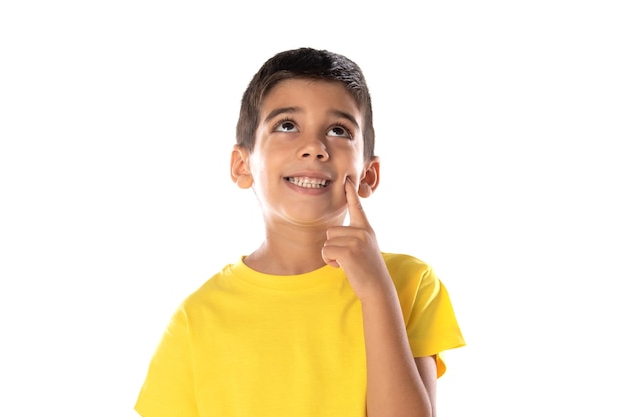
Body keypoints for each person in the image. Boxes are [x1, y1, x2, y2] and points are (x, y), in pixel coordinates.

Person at [134, 47, 465, 417]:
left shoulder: (408, 283)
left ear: (369, 174)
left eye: (339, 130)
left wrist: (375, 291)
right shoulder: (196, 318)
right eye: (287, 125)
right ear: (242, 165)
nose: (314, 148)